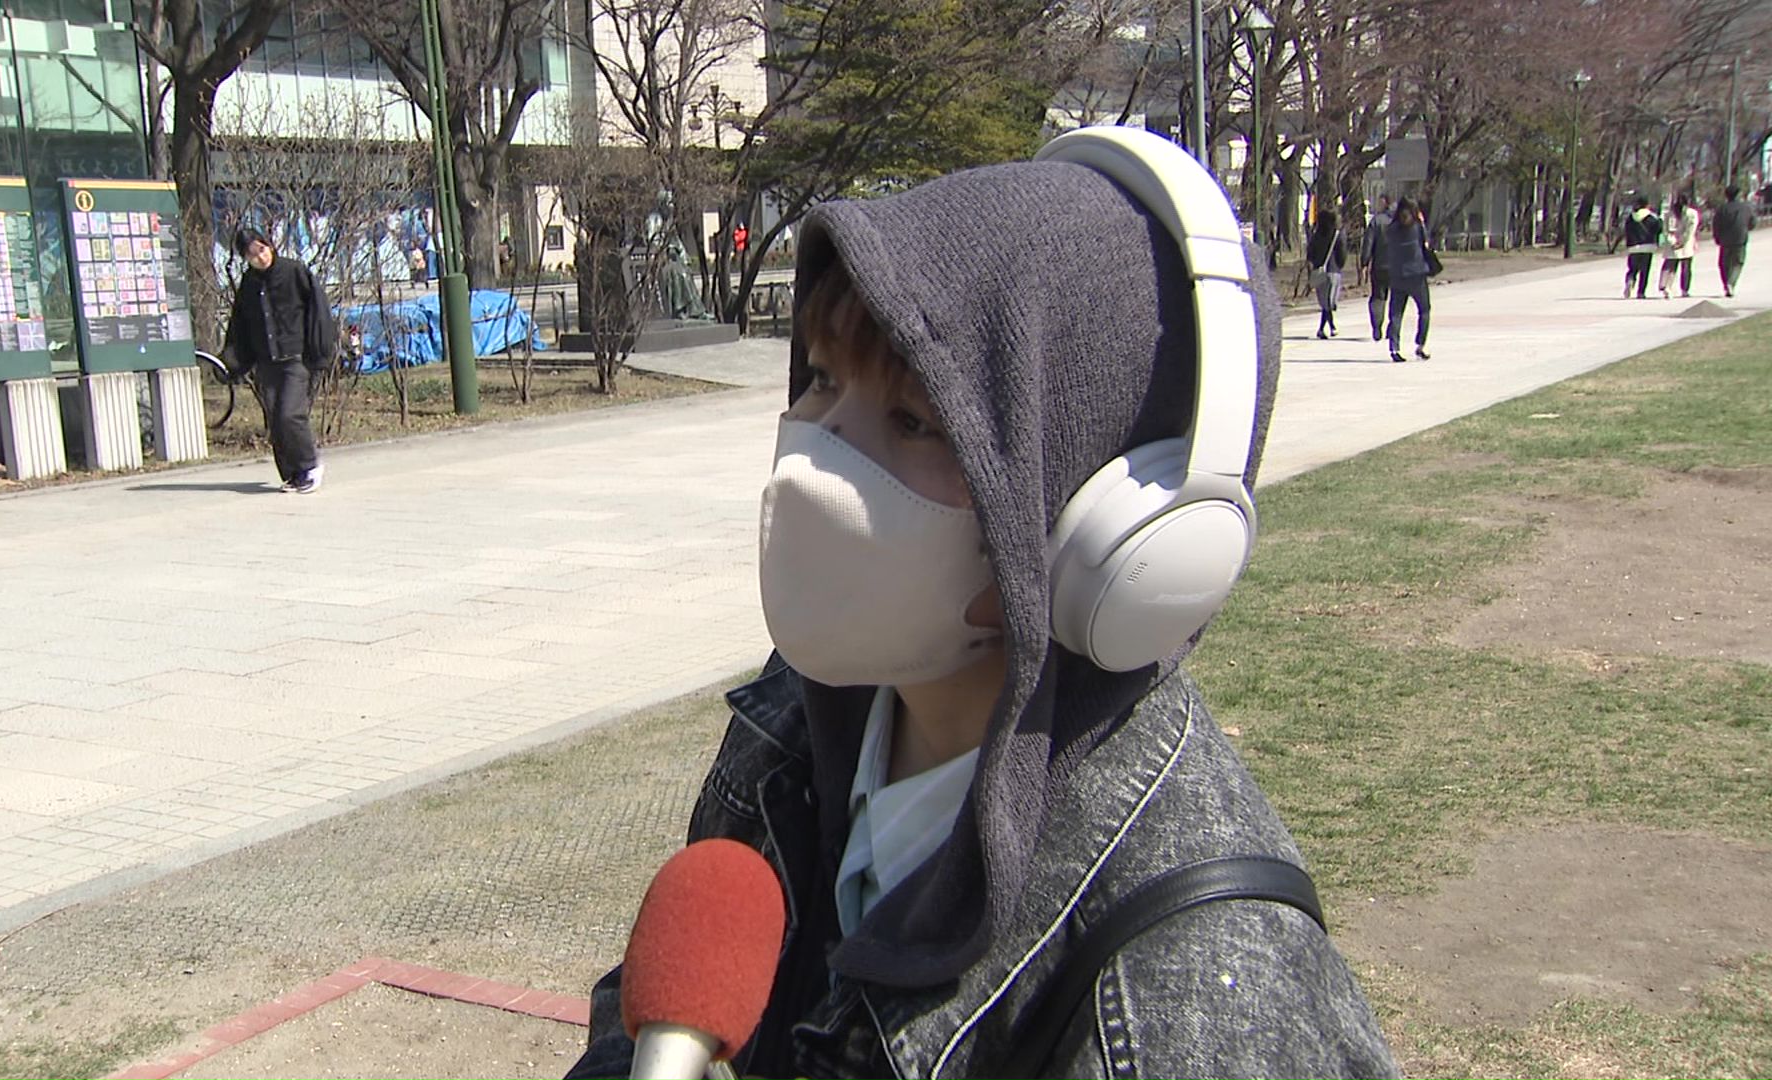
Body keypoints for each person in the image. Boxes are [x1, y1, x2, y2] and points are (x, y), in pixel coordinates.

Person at [566, 129, 1397, 1080]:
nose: (814, 455)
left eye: (914, 421)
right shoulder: (796, 715)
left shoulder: (1200, 980)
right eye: (825, 381)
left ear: (1097, 527)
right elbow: (656, 996)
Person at [222, 226, 336, 494]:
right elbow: (241, 325)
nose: (260, 258)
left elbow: (318, 311)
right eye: (252, 255)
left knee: (290, 414)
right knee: (275, 420)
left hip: (295, 357)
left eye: (261, 250)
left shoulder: (293, 271)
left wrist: (320, 350)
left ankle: (309, 466)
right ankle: (293, 473)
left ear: (269, 245)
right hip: (267, 360)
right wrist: (234, 361)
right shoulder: (249, 284)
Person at [1379, 197, 1433, 362]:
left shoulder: (1391, 229)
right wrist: (1422, 222)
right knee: (1424, 310)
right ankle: (1420, 344)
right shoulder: (1417, 227)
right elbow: (1425, 243)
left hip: (1397, 275)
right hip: (1417, 275)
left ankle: (1394, 348)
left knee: (1396, 313)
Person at [1306, 208, 1345, 339]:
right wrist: (1340, 265)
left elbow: (1310, 254)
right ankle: (1331, 327)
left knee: (1325, 303)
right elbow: (1342, 254)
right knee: (1329, 302)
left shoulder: (1316, 236)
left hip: (1320, 271)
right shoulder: (1336, 235)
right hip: (1333, 271)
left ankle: (1323, 328)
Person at [1358, 194, 1393, 339]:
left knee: (1378, 296)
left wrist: (1364, 262)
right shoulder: (1399, 221)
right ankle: (1393, 326)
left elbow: (1368, 243)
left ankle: (1377, 325)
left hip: (1379, 265)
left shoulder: (1376, 222)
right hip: (1397, 266)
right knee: (1396, 298)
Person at [1616, 196, 1664, 299]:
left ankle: (1630, 280)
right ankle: (1641, 292)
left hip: (1633, 247)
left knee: (1632, 268)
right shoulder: (1651, 217)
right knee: (1644, 270)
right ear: (1647, 205)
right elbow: (1659, 229)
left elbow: (1627, 230)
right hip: (1647, 246)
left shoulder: (1631, 217)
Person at [1713, 184, 1755, 298]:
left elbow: (1716, 224)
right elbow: (1752, 222)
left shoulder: (1722, 209)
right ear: (1738, 194)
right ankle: (1731, 283)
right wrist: (1746, 229)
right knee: (1738, 262)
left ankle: (1727, 283)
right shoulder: (1746, 207)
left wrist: (1717, 237)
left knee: (1724, 264)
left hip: (1725, 240)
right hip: (1740, 239)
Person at [1658, 194, 1698, 298]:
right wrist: (1681, 242)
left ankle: (1666, 286)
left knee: (1670, 266)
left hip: (1672, 243)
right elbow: (1690, 231)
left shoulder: (1669, 214)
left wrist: (1672, 241)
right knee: (1686, 267)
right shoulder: (1692, 213)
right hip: (1685, 244)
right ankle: (1684, 289)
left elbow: (1665, 231)